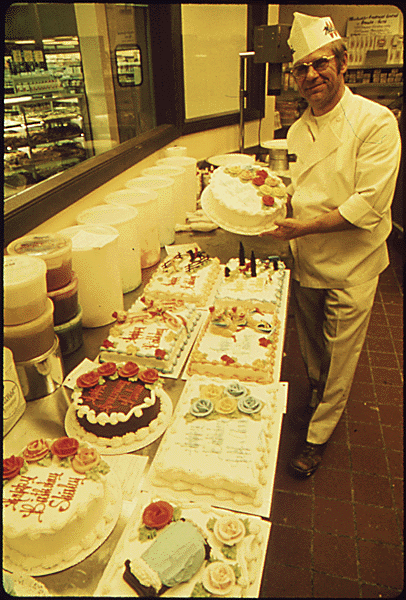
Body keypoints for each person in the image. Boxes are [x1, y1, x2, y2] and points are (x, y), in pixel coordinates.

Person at [262, 12, 401, 477]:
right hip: (307, 258)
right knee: (311, 346)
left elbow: (369, 204)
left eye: (320, 63)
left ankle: (317, 436)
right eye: (301, 68)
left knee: (341, 355)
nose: (311, 75)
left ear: (342, 63)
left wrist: (300, 228)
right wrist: (268, 199)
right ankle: (318, 393)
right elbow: (299, 189)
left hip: (352, 262)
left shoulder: (375, 123)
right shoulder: (297, 130)